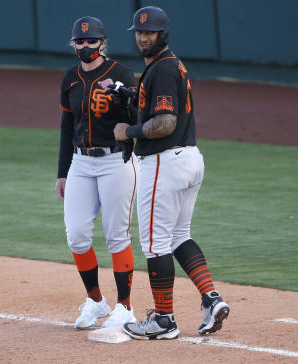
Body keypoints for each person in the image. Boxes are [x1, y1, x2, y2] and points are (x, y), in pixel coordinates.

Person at [112, 6, 230, 340]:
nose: (142, 37)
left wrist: (129, 130)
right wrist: (133, 97)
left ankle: (164, 319)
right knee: (179, 236)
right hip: (189, 158)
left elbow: (165, 123)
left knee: (154, 244)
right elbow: (162, 108)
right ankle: (211, 299)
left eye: (149, 33)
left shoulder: (162, 69)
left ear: (163, 35)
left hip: (165, 161)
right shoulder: (170, 66)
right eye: (138, 32)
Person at [55, 16, 138, 329]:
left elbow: (136, 119)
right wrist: (62, 173)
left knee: (116, 236)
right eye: (80, 41)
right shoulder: (70, 79)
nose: (86, 45)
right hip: (81, 163)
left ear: (103, 43)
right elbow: (66, 128)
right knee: (76, 235)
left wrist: (124, 103)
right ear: (74, 43)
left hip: (115, 161)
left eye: (92, 41)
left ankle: (125, 307)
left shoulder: (120, 73)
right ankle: (95, 301)